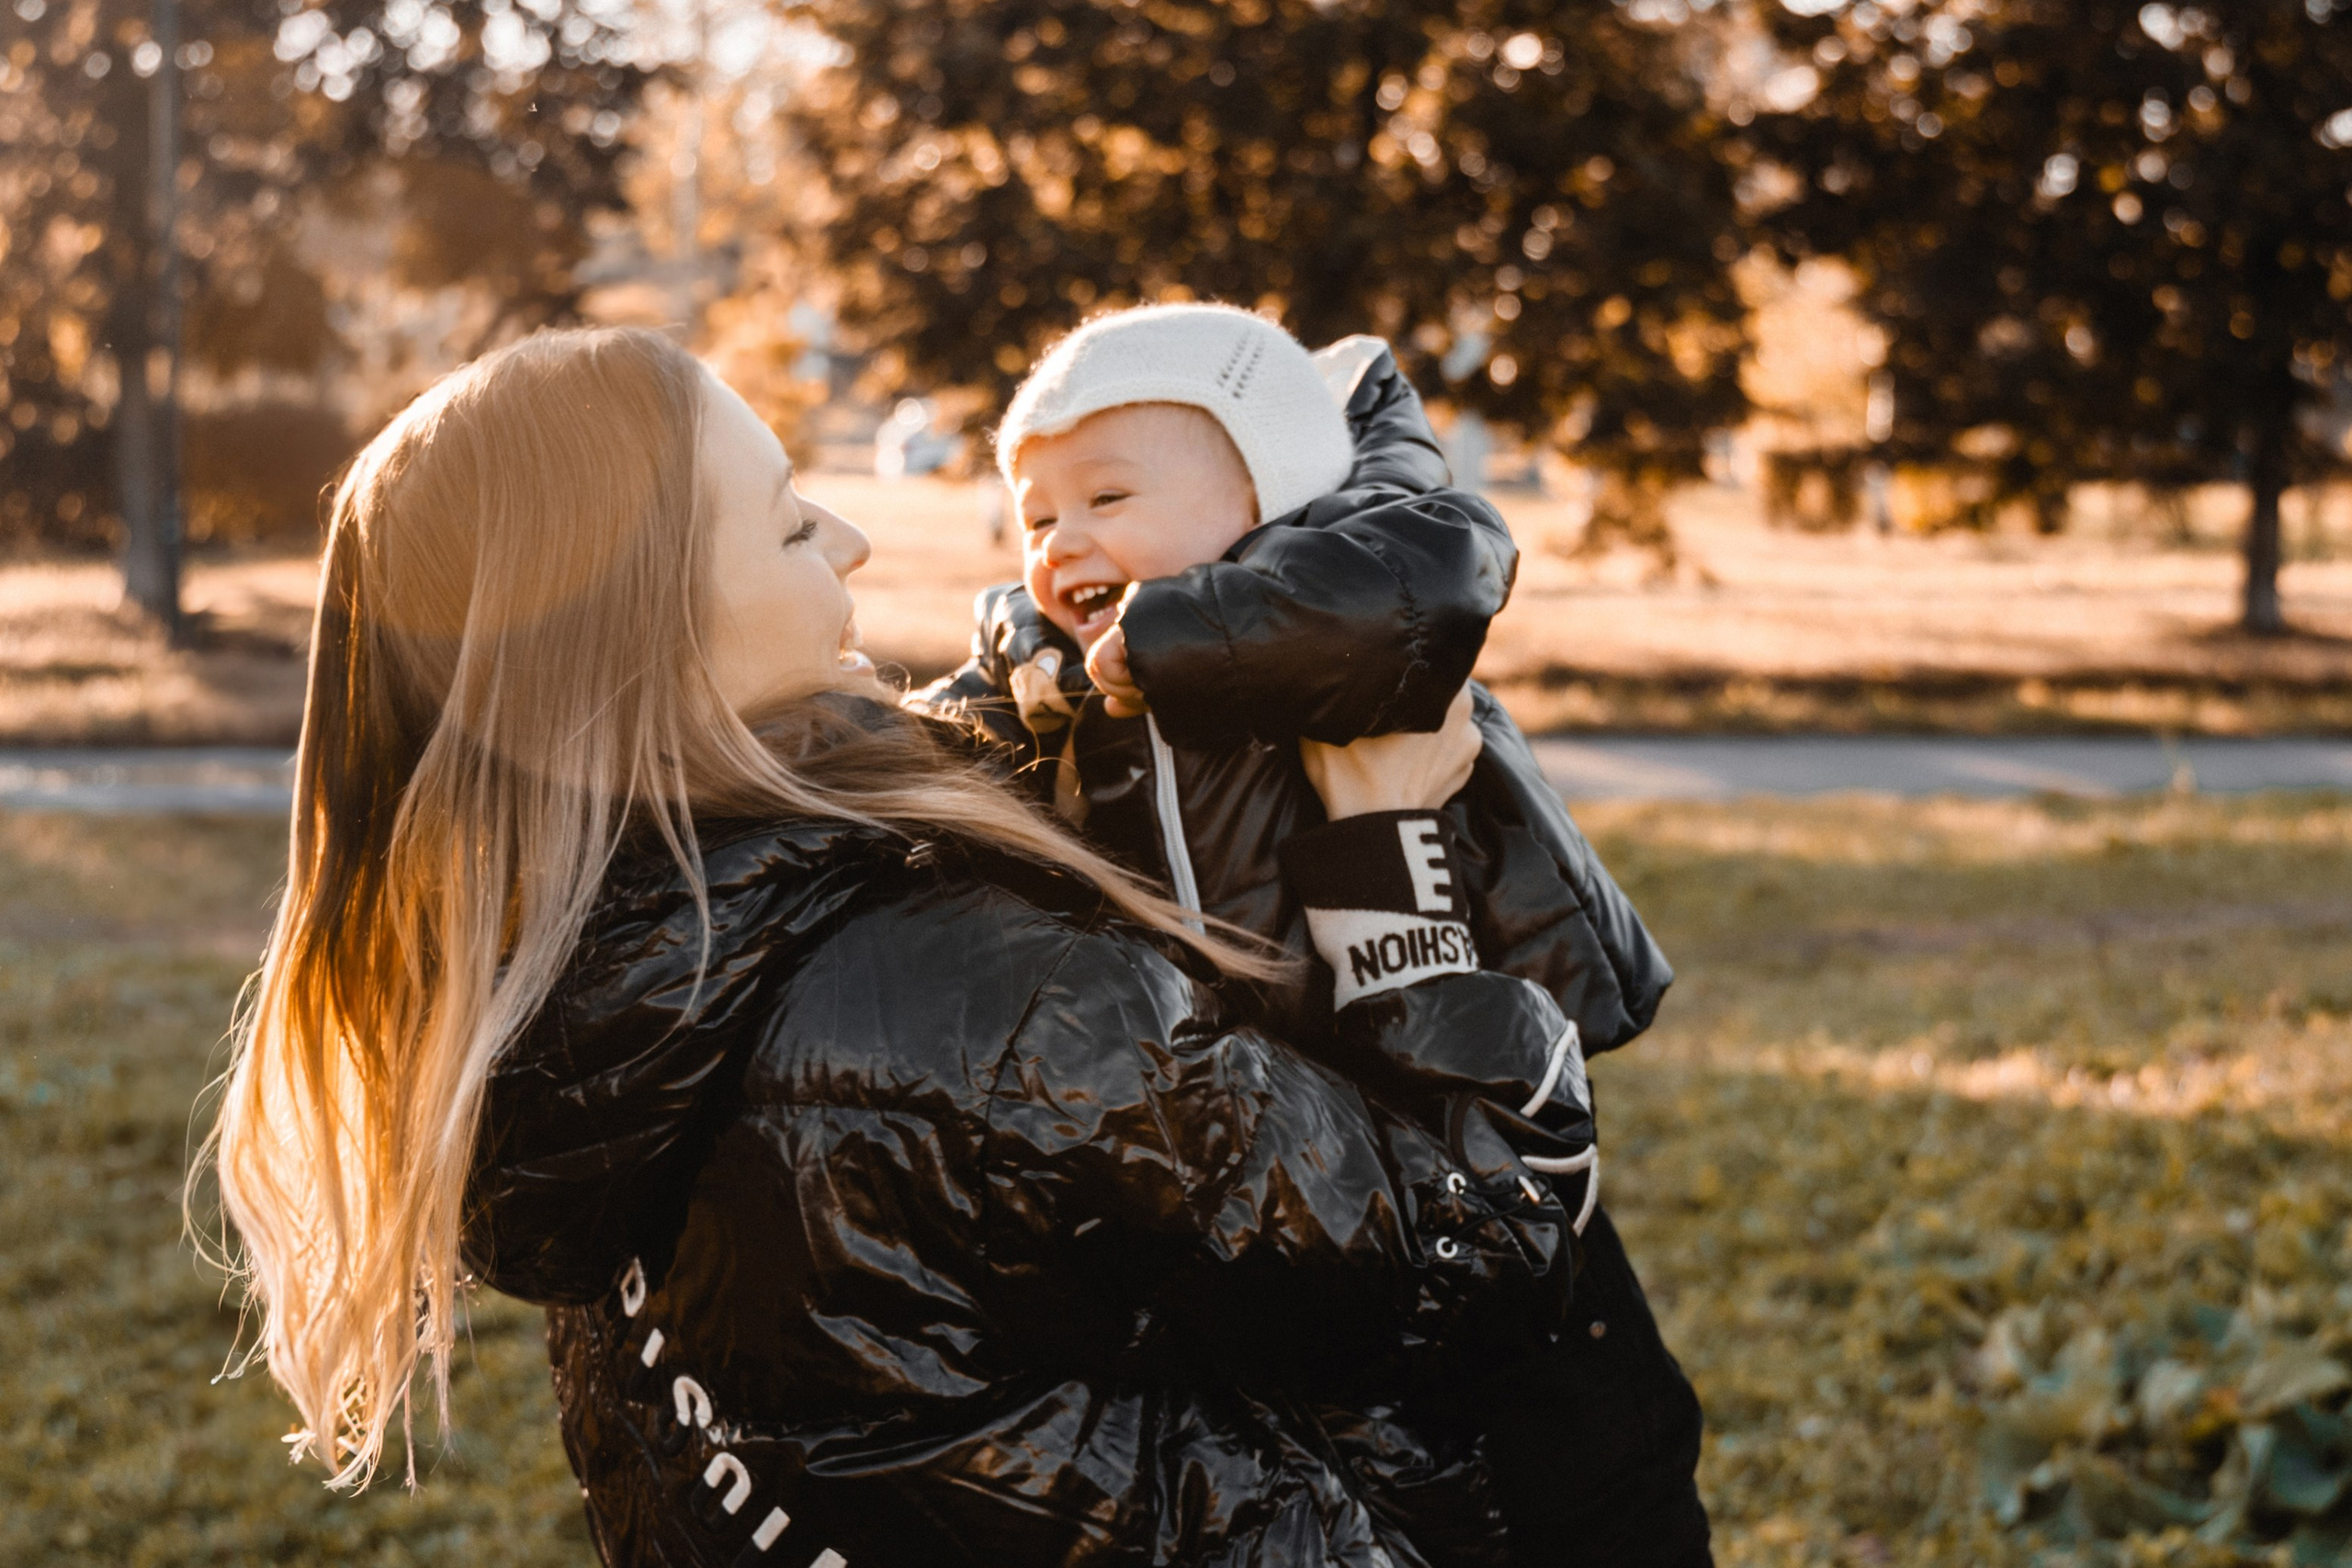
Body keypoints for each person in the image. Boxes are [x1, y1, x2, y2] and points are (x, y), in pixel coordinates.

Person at [201, 325, 1589, 1568]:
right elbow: (1463, 1260)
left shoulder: (552, 986)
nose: (851, 542)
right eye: (791, 525)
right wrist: (1387, 851)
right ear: (660, 631)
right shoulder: (990, 1008)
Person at [923, 302, 1712, 1567]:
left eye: (1108, 495)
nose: (1061, 544)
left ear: (1271, 498)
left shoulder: (1357, 645)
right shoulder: (1064, 693)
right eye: (1036, 516)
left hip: (1455, 1138)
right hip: (1269, 1204)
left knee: (1565, 1471)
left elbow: (1403, 575)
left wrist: (1183, 656)